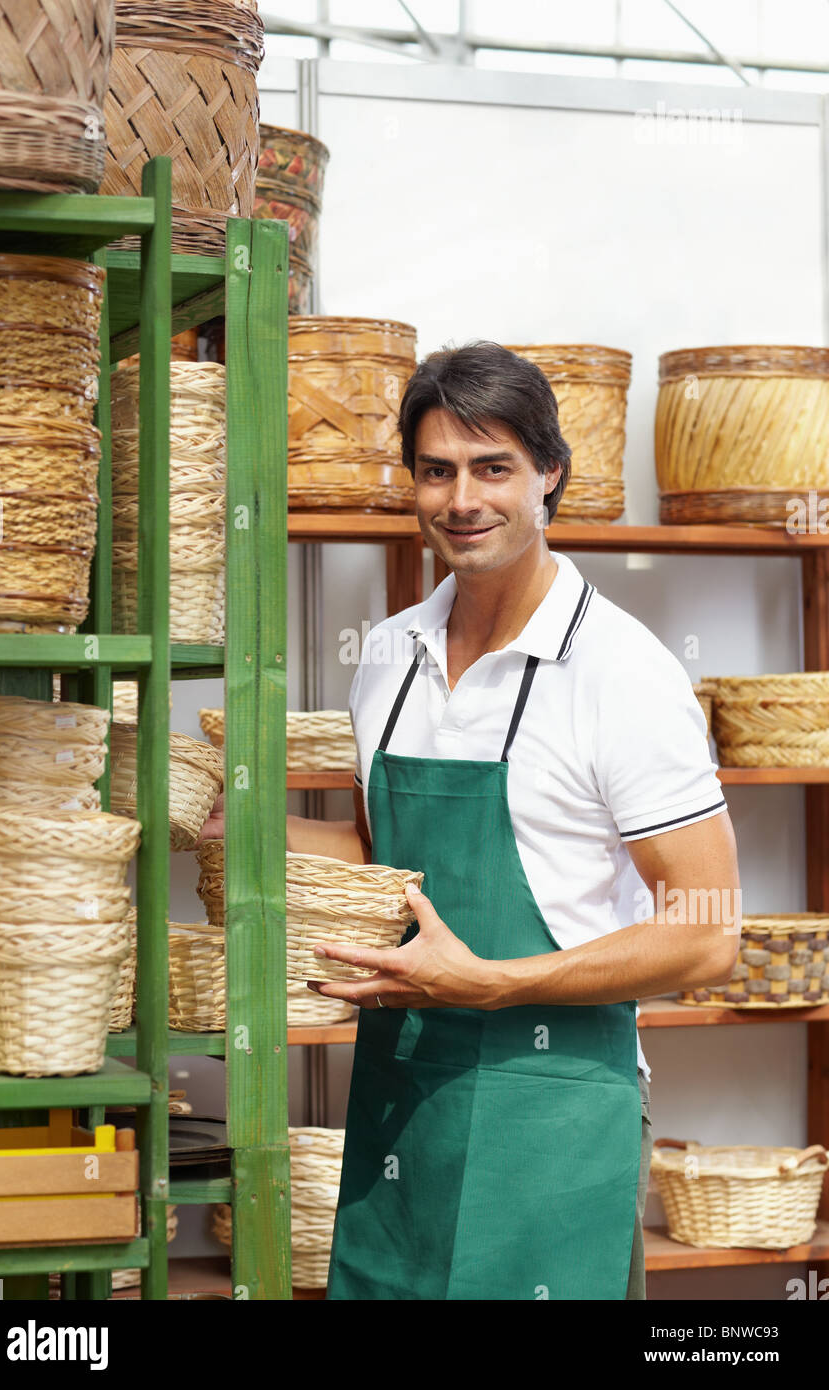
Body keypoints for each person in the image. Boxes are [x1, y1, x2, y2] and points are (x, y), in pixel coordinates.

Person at [200, 340, 741, 1301]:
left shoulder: (622, 670)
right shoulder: (390, 653)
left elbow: (706, 934)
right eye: (437, 470)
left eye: (495, 468)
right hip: (405, 1103)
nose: (463, 499)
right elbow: (386, 856)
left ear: (550, 479)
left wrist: (490, 983)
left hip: (555, 1112)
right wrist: (237, 826)